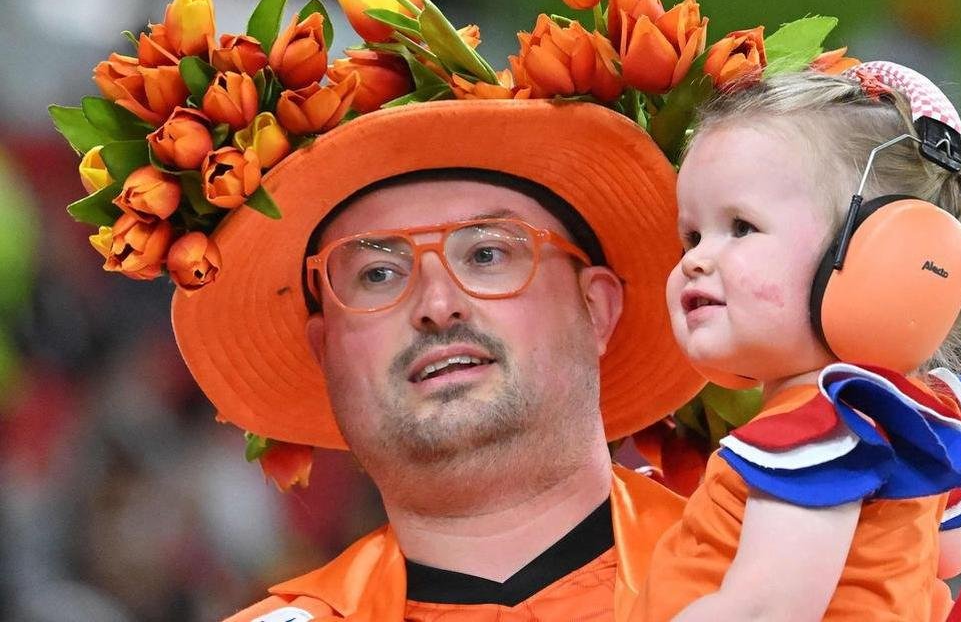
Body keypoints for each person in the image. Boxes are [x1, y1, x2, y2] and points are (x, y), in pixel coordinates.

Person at [171, 101, 705, 619]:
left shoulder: (767, 581)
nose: (437, 305)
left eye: (486, 254)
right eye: (378, 274)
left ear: (596, 309)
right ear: (325, 352)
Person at [630, 60, 961, 621]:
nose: (696, 260)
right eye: (691, 235)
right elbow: (952, 550)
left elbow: (767, 610)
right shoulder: (909, 415)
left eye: (741, 227)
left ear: (886, 255)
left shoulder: (813, 429)